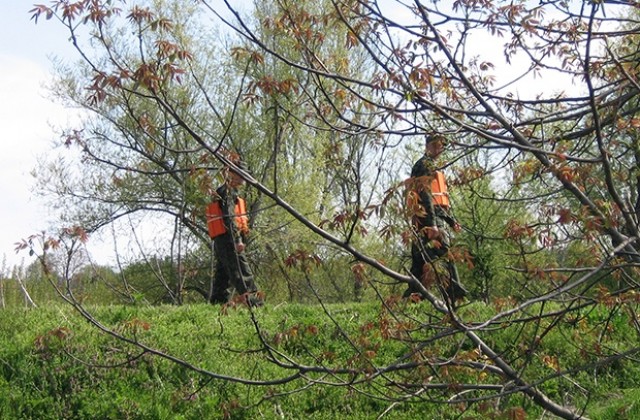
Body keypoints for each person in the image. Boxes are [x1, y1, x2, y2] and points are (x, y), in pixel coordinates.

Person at [403, 134, 468, 305]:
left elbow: (438, 200)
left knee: (419, 261)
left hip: (426, 219)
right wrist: (432, 224)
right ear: (430, 146)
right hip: (428, 220)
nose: (441, 150)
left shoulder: (431, 166)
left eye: (443, 146)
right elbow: (425, 195)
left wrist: (451, 221)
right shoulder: (425, 165)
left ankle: (412, 299)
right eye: (439, 146)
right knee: (444, 255)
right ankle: (455, 294)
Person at [206, 160, 262, 306]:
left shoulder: (226, 192)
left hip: (222, 239)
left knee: (223, 274)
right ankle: (255, 305)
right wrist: (237, 240)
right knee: (242, 272)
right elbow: (229, 218)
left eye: (243, 175)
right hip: (228, 239)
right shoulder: (227, 193)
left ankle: (218, 304)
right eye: (239, 174)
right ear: (230, 173)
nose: (242, 179)